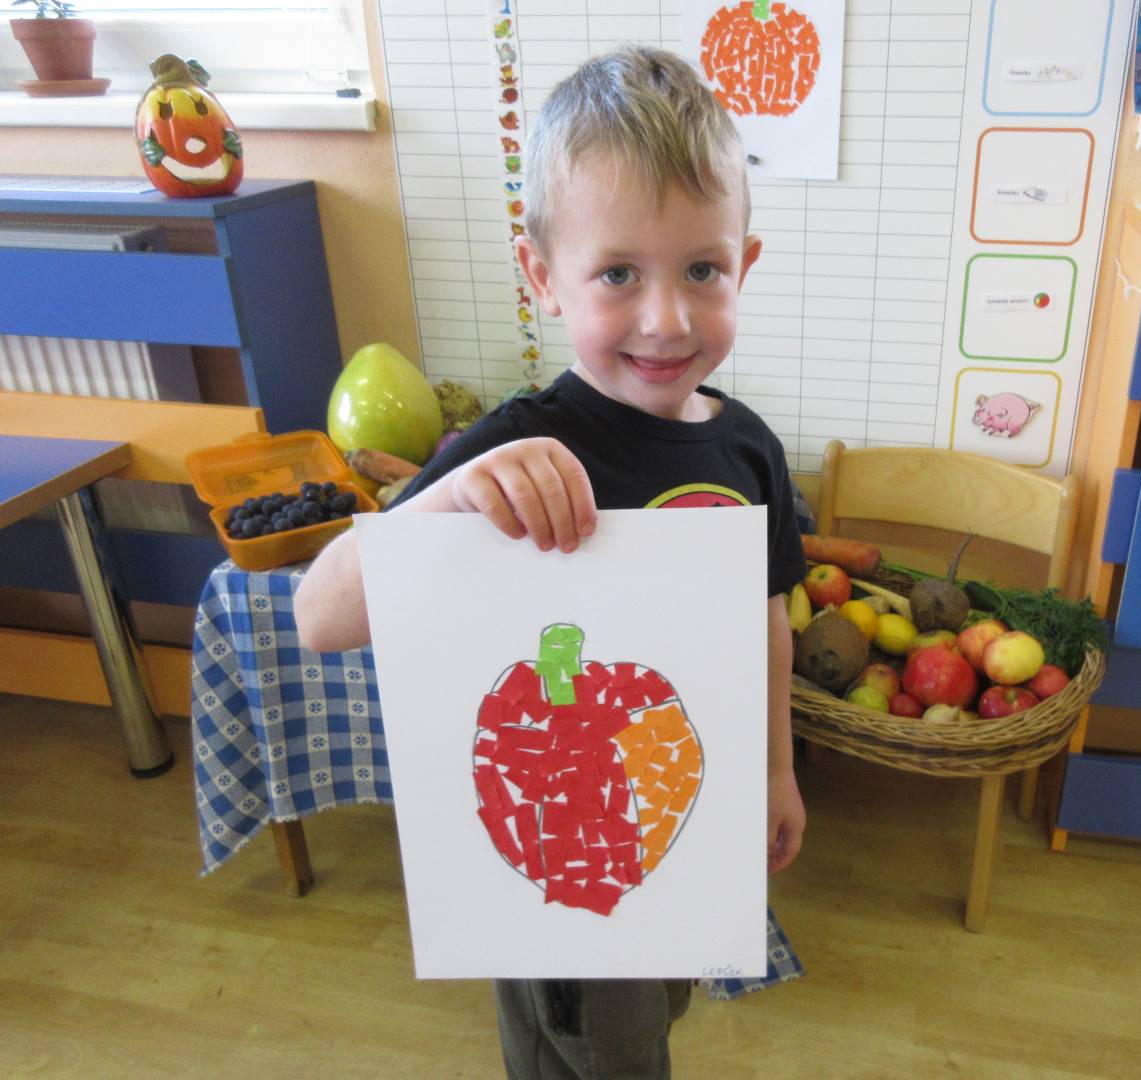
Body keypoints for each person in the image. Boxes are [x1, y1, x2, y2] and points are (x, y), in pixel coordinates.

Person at [294, 44, 807, 1080]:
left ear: (744, 264)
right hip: (557, 848)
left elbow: (764, 621)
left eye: (701, 270)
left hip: (674, 821)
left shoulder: (747, 448)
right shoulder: (511, 449)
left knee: (655, 1019)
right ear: (543, 278)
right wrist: (448, 497)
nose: (666, 318)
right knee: (593, 1054)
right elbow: (320, 616)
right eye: (618, 273)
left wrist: (776, 768)